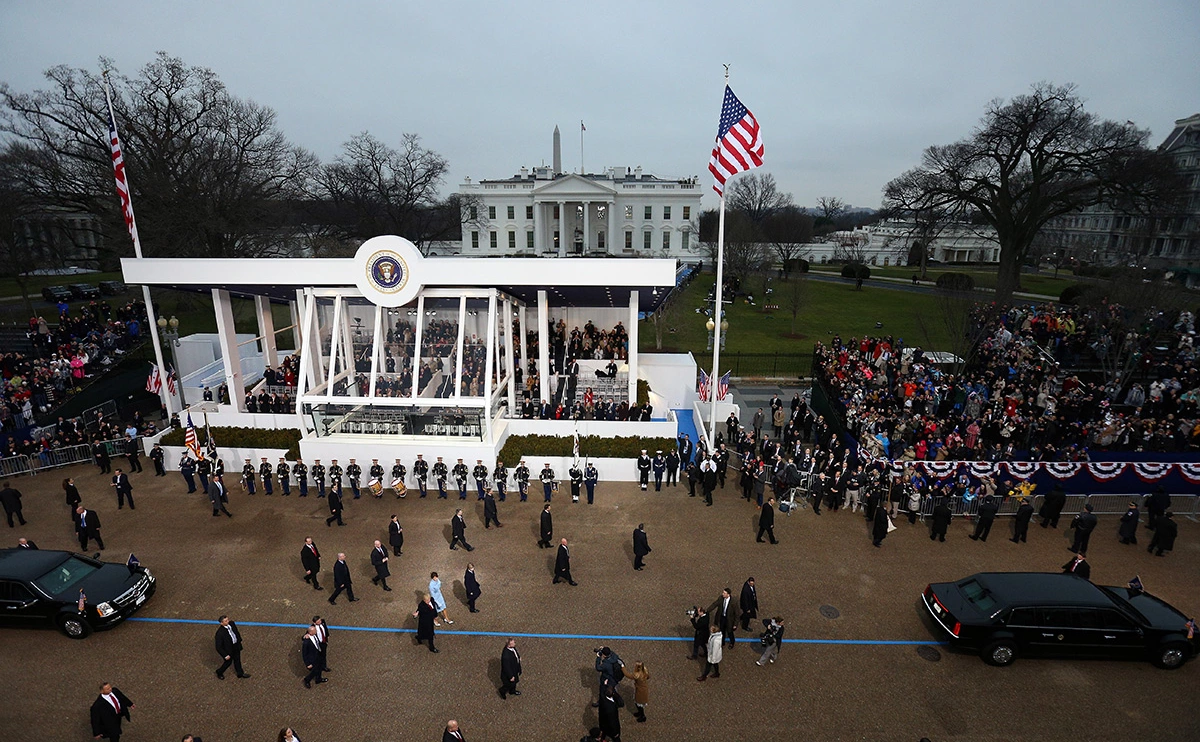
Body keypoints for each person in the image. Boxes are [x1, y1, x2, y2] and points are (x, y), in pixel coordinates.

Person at [214, 615, 250, 679]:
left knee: (237, 660)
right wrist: (225, 655)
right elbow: (218, 646)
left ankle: (240, 673)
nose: (228, 621)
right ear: (221, 623)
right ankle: (219, 672)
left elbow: (236, 632)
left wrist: (239, 640)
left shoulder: (232, 623)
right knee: (228, 663)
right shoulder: (219, 633)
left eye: (227, 620)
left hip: (235, 646)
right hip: (228, 650)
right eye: (225, 621)